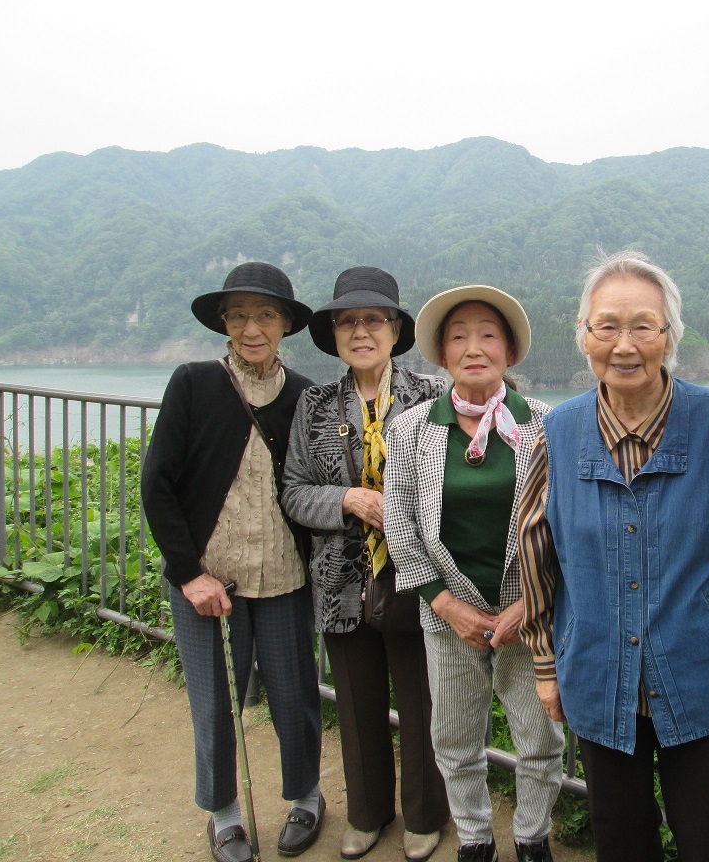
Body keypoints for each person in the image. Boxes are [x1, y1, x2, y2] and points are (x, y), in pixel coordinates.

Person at [518, 250, 709, 862]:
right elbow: (534, 547)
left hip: (703, 670)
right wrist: (545, 662)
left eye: (643, 326)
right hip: (597, 670)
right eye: (607, 326)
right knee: (620, 837)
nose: (624, 345)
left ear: (670, 336)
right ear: (583, 335)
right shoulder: (558, 432)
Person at [141, 262, 325, 862]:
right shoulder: (194, 383)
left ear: (285, 324)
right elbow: (157, 485)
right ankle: (223, 813)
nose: (252, 328)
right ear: (223, 323)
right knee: (215, 702)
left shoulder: (303, 396)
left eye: (265, 315)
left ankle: (306, 796)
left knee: (294, 694)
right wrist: (188, 575)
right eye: (239, 315)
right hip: (208, 580)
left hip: (284, 576)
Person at [384, 286, 564, 862]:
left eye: (488, 334)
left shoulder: (548, 425)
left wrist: (528, 604)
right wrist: (445, 602)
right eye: (459, 336)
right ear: (442, 354)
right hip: (448, 617)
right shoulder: (410, 429)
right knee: (455, 738)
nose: (474, 347)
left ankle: (532, 836)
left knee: (540, 736)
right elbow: (400, 524)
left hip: (528, 613)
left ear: (510, 350)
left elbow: (566, 524)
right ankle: (475, 839)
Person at [281, 266, 450, 861]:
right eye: (346, 321)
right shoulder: (315, 404)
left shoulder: (431, 396)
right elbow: (294, 491)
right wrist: (348, 499)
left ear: (395, 330)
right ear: (333, 334)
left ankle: (426, 816)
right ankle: (367, 812)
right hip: (340, 580)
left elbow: (452, 481)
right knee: (355, 705)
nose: (360, 331)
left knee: (423, 701)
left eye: (373, 319)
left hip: (418, 577)